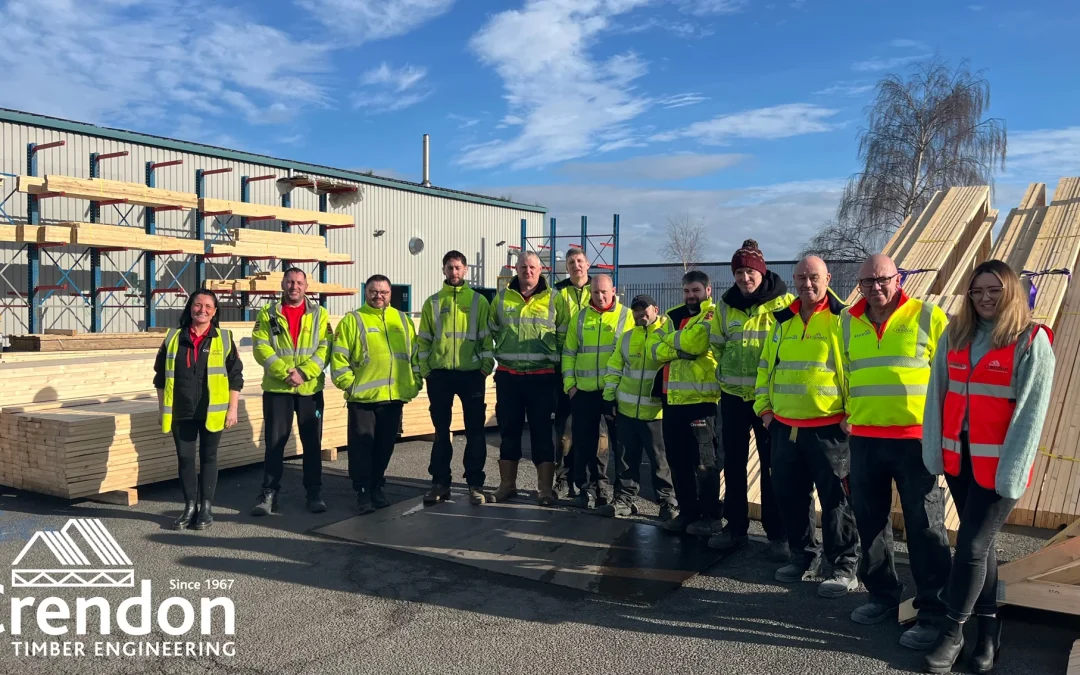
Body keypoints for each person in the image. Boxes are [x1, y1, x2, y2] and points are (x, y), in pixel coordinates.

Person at [921, 260, 1055, 674]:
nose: (984, 299)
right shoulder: (956, 334)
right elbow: (936, 394)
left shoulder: (1031, 341)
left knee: (973, 546)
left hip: (999, 469)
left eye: (993, 290)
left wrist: (1012, 475)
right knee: (984, 549)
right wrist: (933, 451)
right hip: (960, 461)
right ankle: (989, 632)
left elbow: (1031, 416)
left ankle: (952, 631)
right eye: (977, 291)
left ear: (1011, 292)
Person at [840, 254, 953, 650]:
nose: (876, 288)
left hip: (915, 440)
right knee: (870, 522)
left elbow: (952, 373)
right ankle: (883, 596)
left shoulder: (927, 316)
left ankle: (934, 611)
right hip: (866, 439)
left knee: (924, 526)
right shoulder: (846, 321)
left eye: (882, 279)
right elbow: (846, 372)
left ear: (898, 277)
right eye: (867, 282)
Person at [754, 256, 860, 598]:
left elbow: (858, 368)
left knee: (836, 501)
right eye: (800, 277)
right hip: (785, 428)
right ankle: (804, 557)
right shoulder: (782, 320)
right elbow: (766, 367)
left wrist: (851, 413)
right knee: (790, 496)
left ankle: (843, 566)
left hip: (830, 430)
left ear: (827, 278)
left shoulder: (844, 319)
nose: (807, 284)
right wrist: (764, 410)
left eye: (813, 277)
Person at [708, 239, 794, 561]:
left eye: (750, 272)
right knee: (732, 464)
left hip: (768, 400)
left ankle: (778, 535)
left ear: (762, 271)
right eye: (739, 272)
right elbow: (716, 345)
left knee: (773, 466)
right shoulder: (725, 306)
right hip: (732, 397)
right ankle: (736, 529)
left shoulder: (784, 302)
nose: (745, 278)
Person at [330, 274, 422, 515]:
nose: (378, 295)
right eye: (373, 291)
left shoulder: (402, 320)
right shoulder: (353, 320)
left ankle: (377, 485)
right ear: (366, 292)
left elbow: (415, 355)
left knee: (384, 446)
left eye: (383, 292)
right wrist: (349, 385)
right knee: (362, 447)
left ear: (390, 294)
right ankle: (362, 491)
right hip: (363, 399)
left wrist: (414, 383)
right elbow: (338, 359)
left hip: (393, 397)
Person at [154, 290, 243, 531]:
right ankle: (189, 506)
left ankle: (206, 508)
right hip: (181, 411)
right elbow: (160, 378)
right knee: (185, 459)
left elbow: (235, 377)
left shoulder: (223, 339)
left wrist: (232, 409)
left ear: (215, 312)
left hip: (212, 410)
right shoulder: (173, 338)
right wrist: (163, 409)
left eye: (208, 306)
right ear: (189, 308)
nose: (202, 310)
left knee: (209, 457)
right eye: (197, 305)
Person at [250, 268, 334, 516]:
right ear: (282, 284)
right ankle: (268, 493)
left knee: (311, 443)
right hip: (278, 388)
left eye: (298, 282)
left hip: (310, 389)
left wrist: (304, 373)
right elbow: (260, 347)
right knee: (275, 443)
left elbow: (325, 348)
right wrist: (286, 371)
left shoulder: (320, 314)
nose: (294, 286)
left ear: (306, 286)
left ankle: (314, 492)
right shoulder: (268, 313)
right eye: (289, 282)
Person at [417, 250, 495, 506]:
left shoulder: (478, 302)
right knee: (441, 431)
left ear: (466, 270)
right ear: (443, 270)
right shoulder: (433, 303)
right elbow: (424, 340)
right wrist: (427, 369)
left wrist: (485, 366)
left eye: (458, 268)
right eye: (449, 268)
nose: (454, 272)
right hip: (439, 375)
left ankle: (475, 484)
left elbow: (486, 338)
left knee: (475, 432)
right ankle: (440, 483)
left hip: (471, 374)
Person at [651, 270, 723, 535]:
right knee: (678, 461)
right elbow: (654, 348)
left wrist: (673, 348)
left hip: (701, 401)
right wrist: (678, 348)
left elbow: (695, 344)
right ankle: (687, 513)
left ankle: (711, 517)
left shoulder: (712, 314)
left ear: (708, 290)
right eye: (687, 291)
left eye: (695, 290)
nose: (691, 296)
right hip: (673, 401)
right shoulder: (672, 316)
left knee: (704, 463)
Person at [489, 251, 560, 506]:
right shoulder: (501, 299)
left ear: (541, 270)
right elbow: (490, 333)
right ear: (515, 270)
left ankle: (544, 490)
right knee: (509, 432)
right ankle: (507, 485)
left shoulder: (554, 299)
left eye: (532, 267)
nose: (527, 271)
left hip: (542, 378)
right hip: (509, 377)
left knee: (542, 433)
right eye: (523, 267)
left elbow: (564, 337)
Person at [602, 294, 679, 520]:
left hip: (657, 413)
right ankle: (624, 499)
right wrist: (609, 398)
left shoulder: (669, 336)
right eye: (636, 310)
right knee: (626, 459)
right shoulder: (626, 338)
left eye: (644, 309)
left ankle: (668, 502)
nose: (640, 314)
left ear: (656, 309)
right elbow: (614, 368)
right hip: (626, 412)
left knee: (660, 461)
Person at [561, 274, 629, 508]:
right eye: (595, 292)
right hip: (584, 393)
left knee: (620, 446)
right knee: (585, 443)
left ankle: (621, 494)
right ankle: (589, 490)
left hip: (616, 393)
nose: (600, 296)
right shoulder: (579, 318)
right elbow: (569, 352)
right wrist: (570, 386)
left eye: (604, 291)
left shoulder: (627, 316)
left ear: (614, 291)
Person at [553, 247, 592, 498]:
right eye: (571, 262)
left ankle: (587, 482)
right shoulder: (558, 292)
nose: (576, 265)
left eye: (579, 261)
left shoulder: (600, 288)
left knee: (591, 431)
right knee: (564, 431)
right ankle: (562, 479)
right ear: (566, 268)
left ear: (587, 264)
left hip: (592, 370)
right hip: (563, 369)